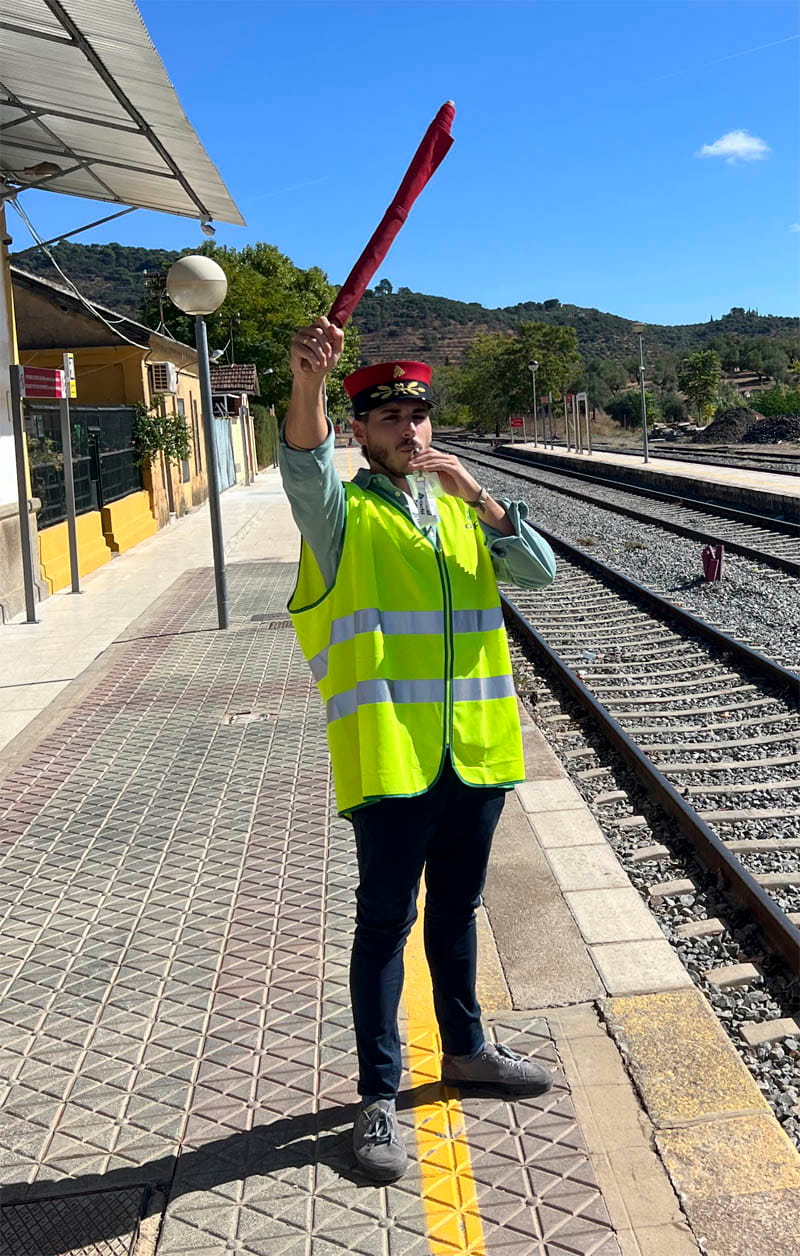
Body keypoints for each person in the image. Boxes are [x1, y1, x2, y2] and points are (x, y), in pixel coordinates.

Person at [280, 315, 557, 1183]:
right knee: (384, 926)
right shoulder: (341, 518)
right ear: (360, 432)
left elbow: (540, 572)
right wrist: (308, 384)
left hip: (472, 754)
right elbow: (301, 464)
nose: (411, 430)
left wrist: (478, 493)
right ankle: (377, 1096)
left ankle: (468, 1049)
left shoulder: (460, 513)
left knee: (458, 913)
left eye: (420, 416)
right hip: (393, 758)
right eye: (390, 418)